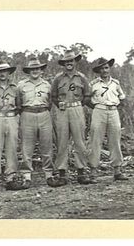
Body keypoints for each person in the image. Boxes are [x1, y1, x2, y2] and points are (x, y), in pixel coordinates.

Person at [51, 50, 92, 187]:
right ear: (63, 64)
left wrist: (80, 105)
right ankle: (62, 173)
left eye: (71, 61)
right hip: (62, 111)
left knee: (79, 140)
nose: (69, 63)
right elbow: (53, 96)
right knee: (62, 140)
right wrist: (59, 104)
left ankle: (81, 172)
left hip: (76, 109)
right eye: (66, 62)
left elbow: (87, 95)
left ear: (75, 62)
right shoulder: (58, 78)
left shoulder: (81, 78)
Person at [17, 57, 55, 189]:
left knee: (47, 145)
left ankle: (49, 175)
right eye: (32, 69)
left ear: (41, 70)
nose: (35, 71)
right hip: (27, 114)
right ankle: (26, 176)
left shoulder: (47, 85)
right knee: (27, 147)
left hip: (44, 114)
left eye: (37, 69)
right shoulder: (21, 85)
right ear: (28, 71)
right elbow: (18, 103)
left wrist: (42, 110)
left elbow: (50, 102)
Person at [88, 57, 128, 182]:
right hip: (99, 111)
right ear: (98, 71)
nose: (104, 71)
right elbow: (87, 99)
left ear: (109, 69)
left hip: (113, 111)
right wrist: (96, 107)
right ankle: (93, 171)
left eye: (106, 68)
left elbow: (122, 97)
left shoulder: (115, 83)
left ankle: (117, 170)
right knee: (95, 140)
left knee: (115, 140)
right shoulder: (93, 84)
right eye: (102, 69)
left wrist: (114, 106)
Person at [0, 58, 22, 193]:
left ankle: (10, 177)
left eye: (5, 71)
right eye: (0, 71)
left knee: (12, 147)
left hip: (12, 118)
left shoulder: (15, 89)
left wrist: (11, 116)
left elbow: (19, 106)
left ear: (9, 73)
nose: (2, 74)